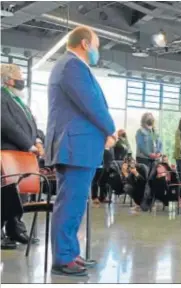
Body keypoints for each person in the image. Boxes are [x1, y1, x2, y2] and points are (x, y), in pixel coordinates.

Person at [45, 26, 116, 276]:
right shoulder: (71, 66)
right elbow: (92, 104)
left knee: (74, 204)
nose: (97, 50)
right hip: (74, 145)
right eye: (96, 45)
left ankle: (71, 253)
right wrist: (111, 129)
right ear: (85, 44)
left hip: (79, 145)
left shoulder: (71, 66)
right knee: (70, 203)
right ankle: (63, 258)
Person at [1, 63, 43, 250]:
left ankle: (14, 229)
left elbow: (32, 125)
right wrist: (29, 145)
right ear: (9, 80)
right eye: (19, 75)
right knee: (6, 194)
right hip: (8, 152)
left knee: (19, 194)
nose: (22, 79)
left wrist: (39, 139)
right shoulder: (2, 98)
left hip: (23, 155)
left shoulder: (19, 101)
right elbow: (8, 126)